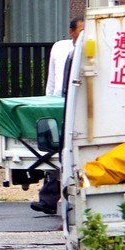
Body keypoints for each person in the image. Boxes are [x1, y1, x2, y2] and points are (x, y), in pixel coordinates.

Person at [32, 17, 85, 214]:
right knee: (56, 153)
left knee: (71, 154)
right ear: (71, 32)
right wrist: (49, 105)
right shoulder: (60, 48)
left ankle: (56, 199)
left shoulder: (91, 51)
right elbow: (52, 82)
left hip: (80, 107)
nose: (85, 34)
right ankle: (49, 199)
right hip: (60, 106)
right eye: (81, 30)